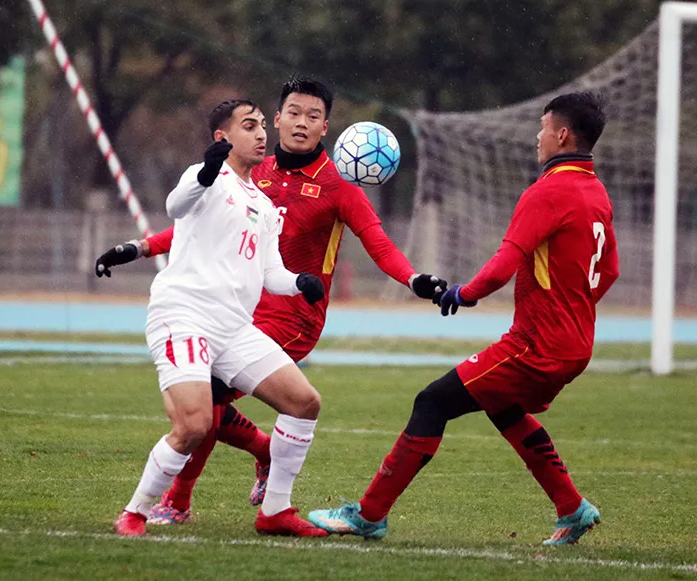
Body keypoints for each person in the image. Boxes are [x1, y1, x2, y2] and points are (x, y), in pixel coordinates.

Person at [97, 75, 447, 530]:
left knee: (213, 402)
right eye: (294, 113)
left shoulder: (339, 186)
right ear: (277, 119)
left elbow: (379, 245)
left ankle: (181, 500)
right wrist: (141, 248)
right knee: (206, 406)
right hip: (239, 312)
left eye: (314, 116)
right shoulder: (249, 173)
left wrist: (415, 279)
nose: (302, 123)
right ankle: (257, 461)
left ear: (326, 128)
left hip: (293, 318)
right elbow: (193, 219)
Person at [308, 92, 619, 546]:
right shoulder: (596, 193)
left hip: (537, 344)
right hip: (575, 344)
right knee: (503, 407)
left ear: (562, 134)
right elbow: (608, 270)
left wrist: (463, 294)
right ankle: (572, 507)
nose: (538, 136)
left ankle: (370, 514)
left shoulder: (549, 191)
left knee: (432, 401)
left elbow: (504, 262)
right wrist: (572, 308)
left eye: (543, 127)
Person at [113, 98, 331, 538]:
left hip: (233, 328)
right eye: (248, 125)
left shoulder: (264, 205)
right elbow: (177, 205)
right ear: (222, 137)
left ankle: (275, 512)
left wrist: (299, 283)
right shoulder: (203, 176)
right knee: (194, 424)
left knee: (304, 402)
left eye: (258, 126)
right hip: (184, 314)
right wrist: (208, 171)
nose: (259, 133)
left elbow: (271, 273)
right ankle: (135, 512)